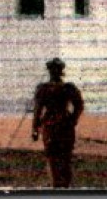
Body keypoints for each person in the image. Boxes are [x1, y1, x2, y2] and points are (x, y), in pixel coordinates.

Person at [32, 58, 85, 189]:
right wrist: (73, 119)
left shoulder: (43, 89)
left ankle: (57, 186)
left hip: (51, 126)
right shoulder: (68, 88)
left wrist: (35, 129)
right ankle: (63, 186)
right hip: (64, 125)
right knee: (64, 158)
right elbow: (79, 105)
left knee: (53, 157)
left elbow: (38, 111)